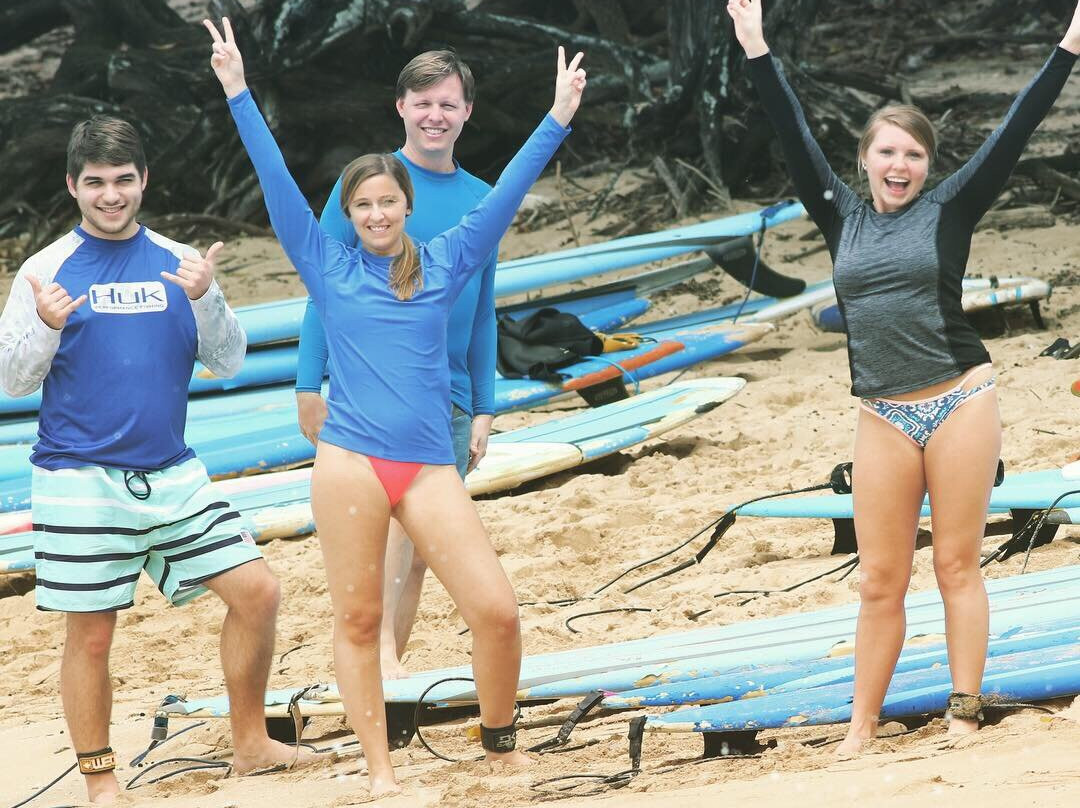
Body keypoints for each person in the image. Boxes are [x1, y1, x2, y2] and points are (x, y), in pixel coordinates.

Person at [204, 16, 585, 796]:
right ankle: (380, 770)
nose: (376, 215)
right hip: (347, 466)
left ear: (407, 206)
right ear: (348, 215)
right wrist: (239, 92)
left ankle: (500, 741)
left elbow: (506, 194)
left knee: (497, 611)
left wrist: (557, 118)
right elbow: (275, 180)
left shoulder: (447, 261)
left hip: (424, 464)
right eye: (363, 205)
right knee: (360, 621)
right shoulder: (327, 265)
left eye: (388, 202)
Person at [726, 0, 1079, 757]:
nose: (900, 167)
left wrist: (1070, 46)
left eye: (914, 156)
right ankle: (861, 724)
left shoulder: (952, 207)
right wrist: (756, 47)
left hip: (959, 399)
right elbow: (792, 138)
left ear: (928, 165)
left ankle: (963, 711)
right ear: (865, 160)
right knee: (879, 580)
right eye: (888, 154)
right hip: (881, 414)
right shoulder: (840, 216)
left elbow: (1012, 133)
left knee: (955, 563)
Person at [0, 116, 300, 804]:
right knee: (94, 637)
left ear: (145, 181)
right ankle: (101, 779)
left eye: (125, 180)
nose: (112, 195)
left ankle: (251, 745)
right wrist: (46, 324)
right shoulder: (44, 269)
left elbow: (228, 361)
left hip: (173, 471)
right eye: (97, 182)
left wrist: (206, 296)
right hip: (78, 477)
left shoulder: (177, 259)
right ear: (73, 185)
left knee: (257, 592)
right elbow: (13, 381)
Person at [295, 50, 497, 679]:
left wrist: (486, 405)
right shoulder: (369, 190)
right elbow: (322, 288)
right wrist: (308, 381)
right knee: (386, 543)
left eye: (448, 104)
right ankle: (377, 663)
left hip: (451, 395)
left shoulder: (482, 198)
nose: (435, 116)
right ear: (402, 107)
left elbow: (483, 306)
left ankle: (390, 677)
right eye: (423, 102)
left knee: (418, 555)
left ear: (467, 112)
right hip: (374, 394)